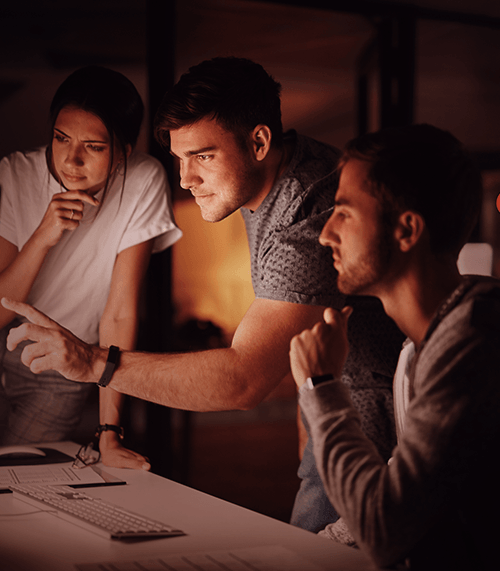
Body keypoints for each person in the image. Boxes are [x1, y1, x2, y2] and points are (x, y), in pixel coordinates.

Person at [1, 57, 403, 531]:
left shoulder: (307, 207)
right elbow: (309, 320)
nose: (186, 179)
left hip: (375, 416)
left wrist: (94, 363)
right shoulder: (276, 178)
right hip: (338, 398)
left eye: (203, 156)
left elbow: (243, 380)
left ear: (258, 141)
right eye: (180, 159)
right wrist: (312, 404)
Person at [289, 123, 499, 570]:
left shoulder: (473, 342)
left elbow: (386, 531)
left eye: (343, 212)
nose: (325, 234)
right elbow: (402, 494)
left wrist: (322, 385)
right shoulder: (418, 350)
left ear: (406, 231)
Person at [0, 66, 181, 469]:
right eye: (61, 139)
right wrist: (43, 236)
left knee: (14, 482)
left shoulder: (142, 182)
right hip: (2, 343)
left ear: (124, 152)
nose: (72, 159)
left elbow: (118, 313)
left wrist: (108, 435)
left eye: (94, 147)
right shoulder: (15, 173)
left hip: (58, 368)